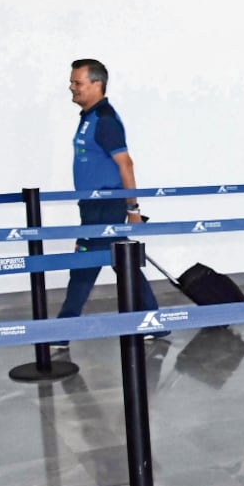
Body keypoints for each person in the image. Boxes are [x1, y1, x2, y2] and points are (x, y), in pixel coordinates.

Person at [52, 58, 164, 349]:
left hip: (105, 206)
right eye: (72, 81)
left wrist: (133, 210)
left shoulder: (105, 120)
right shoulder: (89, 116)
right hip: (93, 206)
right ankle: (154, 321)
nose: (71, 87)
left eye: (77, 82)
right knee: (122, 263)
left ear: (96, 84)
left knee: (84, 264)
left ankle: (62, 330)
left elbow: (126, 164)